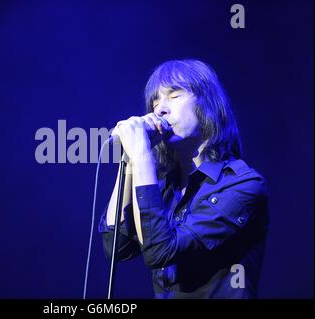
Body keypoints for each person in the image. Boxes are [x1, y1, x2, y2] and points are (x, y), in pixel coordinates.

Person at [99, 59, 269, 299]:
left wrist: (142, 155)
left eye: (174, 95)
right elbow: (115, 247)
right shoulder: (162, 185)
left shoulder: (243, 185)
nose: (160, 109)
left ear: (207, 104)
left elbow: (161, 251)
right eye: (155, 100)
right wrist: (129, 161)